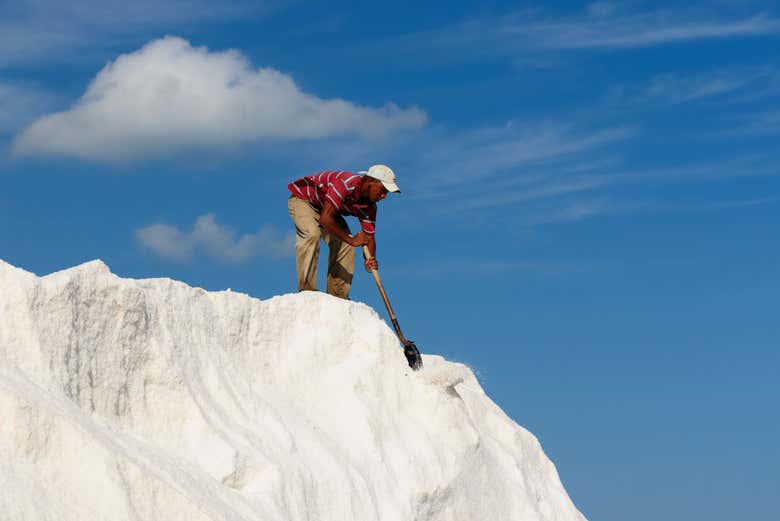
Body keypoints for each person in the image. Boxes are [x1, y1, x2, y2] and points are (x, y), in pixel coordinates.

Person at [287, 164, 401, 299]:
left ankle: (338, 297)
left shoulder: (370, 207)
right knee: (312, 234)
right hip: (304, 201)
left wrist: (370, 259)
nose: (384, 196)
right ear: (370, 181)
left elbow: (369, 237)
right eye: (383, 190)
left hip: (328, 209)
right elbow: (325, 219)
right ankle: (307, 292)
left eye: (387, 192)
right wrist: (352, 240)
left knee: (347, 246)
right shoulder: (345, 184)